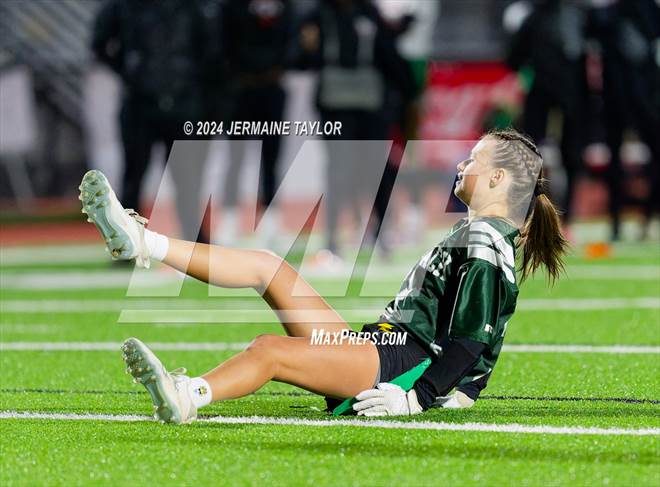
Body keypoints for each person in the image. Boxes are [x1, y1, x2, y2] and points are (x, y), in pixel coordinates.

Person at [79, 128, 567, 423]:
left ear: (499, 179)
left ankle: (188, 396)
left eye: (473, 160)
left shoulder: (485, 240)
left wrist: (417, 398)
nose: (462, 164)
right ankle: (145, 243)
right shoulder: (481, 233)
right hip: (384, 350)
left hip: (399, 367)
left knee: (269, 350)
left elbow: (469, 342)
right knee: (269, 267)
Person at [91, 0, 220, 242]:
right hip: (140, 105)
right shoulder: (123, 6)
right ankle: (127, 242)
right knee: (133, 177)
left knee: (188, 180)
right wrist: (131, 72)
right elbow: (99, 43)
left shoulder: (195, 7)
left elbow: (212, 52)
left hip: (184, 105)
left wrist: (192, 84)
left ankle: (197, 242)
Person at [506, 0, 589, 228]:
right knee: (567, 156)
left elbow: (513, 59)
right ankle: (565, 219)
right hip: (569, 96)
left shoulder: (534, 17)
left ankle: (531, 215)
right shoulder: (577, 16)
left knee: (531, 154)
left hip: (545, 93)